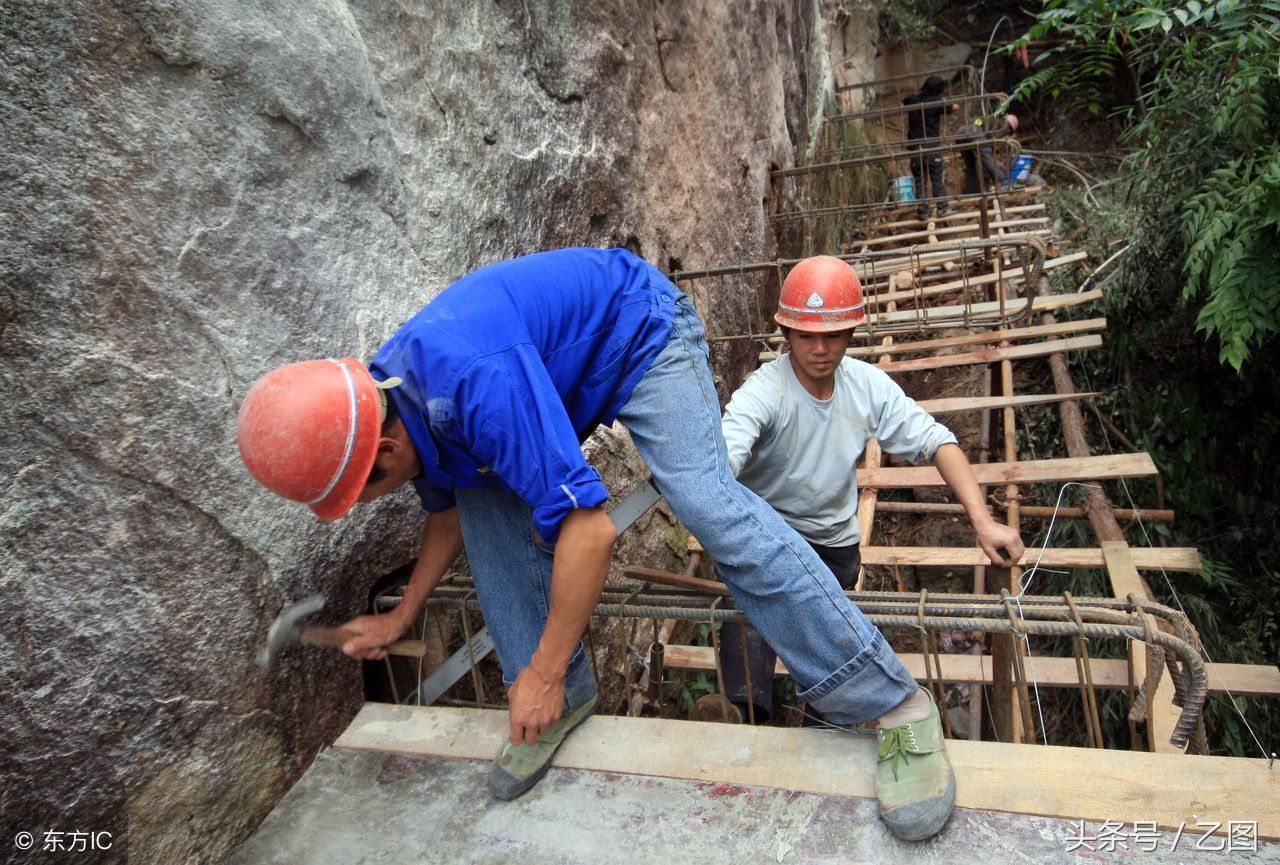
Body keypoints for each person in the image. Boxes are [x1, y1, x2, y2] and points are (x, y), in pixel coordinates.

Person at [237, 247, 966, 841]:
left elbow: (591, 533)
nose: (371, 500)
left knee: (711, 506)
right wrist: (403, 616)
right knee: (486, 507)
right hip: (553, 380)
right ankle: (570, 698)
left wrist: (541, 667)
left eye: (366, 489)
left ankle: (894, 703)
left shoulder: (473, 383)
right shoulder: (399, 394)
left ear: (385, 444)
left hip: (641, 331)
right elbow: (449, 515)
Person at [719, 254, 1025, 821]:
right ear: (786, 330)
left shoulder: (865, 386)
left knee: (828, 637)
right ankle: (745, 721)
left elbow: (937, 441)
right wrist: (715, 493)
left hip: (833, 539)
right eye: (807, 334)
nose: (820, 348)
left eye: (834, 334)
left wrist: (983, 520)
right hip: (768, 533)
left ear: (852, 331)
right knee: (747, 614)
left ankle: (822, 724)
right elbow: (729, 447)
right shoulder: (765, 391)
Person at [902, 75, 959, 221]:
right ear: (938, 90)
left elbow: (905, 100)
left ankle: (923, 212)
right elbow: (954, 107)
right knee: (936, 177)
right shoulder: (937, 103)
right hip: (932, 147)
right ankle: (942, 208)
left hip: (916, 148)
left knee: (920, 179)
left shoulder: (913, 100)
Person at [956, 113, 1019, 195]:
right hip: (974, 131)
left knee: (970, 165)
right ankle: (1003, 181)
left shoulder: (992, 121)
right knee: (988, 158)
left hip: (960, 133)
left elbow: (988, 146)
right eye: (1009, 132)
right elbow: (988, 152)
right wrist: (997, 170)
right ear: (1010, 128)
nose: (1007, 133)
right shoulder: (1004, 126)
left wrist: (995, 161)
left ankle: (972, 192)